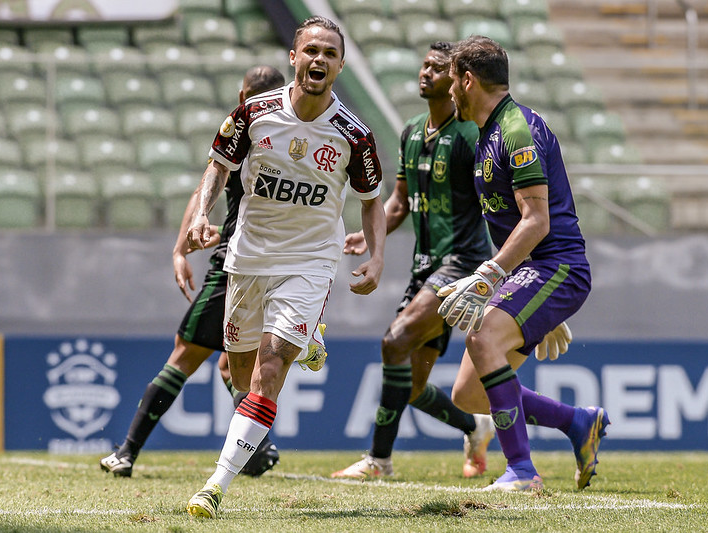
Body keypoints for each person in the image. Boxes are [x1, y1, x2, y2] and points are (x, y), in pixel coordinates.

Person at [184, 16, 386, 518]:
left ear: (340, 65)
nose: (319, 59)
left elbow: (371, 201)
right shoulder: (253, 114)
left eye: (329, 53)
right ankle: (310, 329)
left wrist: (378, 256)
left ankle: (216, 484)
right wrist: (201, 214)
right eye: (311, 50)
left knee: (270, 371)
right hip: (248, 256)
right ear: (293, 58)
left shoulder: (353, 135)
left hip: (310, 259)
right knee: (237, 369)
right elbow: (218, 166)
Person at [99, 65, 311, 479]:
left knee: (184, 354)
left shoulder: (245, 129)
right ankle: (257, 449)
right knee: (232, 367)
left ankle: (126, 451)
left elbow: (206, 187)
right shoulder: (293, 136)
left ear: (242, 95)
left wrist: (181, 248)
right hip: (284, 266)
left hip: (235, 268)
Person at [438, 35, 609, 492]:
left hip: (558, 267)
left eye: (452, 80)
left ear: (467, 80)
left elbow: (536, 221)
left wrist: (488, 276)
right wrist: (531, 306)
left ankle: (522, 471)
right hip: (534, 274)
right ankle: (578, 422)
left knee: (481, 336)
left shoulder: (517, 131)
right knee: (469, 394)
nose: (448, 90)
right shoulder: (489, 135)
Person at [331, 42, 496, 480]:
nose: (425, 72)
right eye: (423, 64)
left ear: (455, 79)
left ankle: (378, 461)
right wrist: (370, 234)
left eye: (437, 68)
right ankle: (473, 425)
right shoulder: (409, 131)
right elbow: (400, 202)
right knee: (415, 385)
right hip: (425, 266)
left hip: (462, 263)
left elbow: (496, 202)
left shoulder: (467, 137)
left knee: (394, 341)